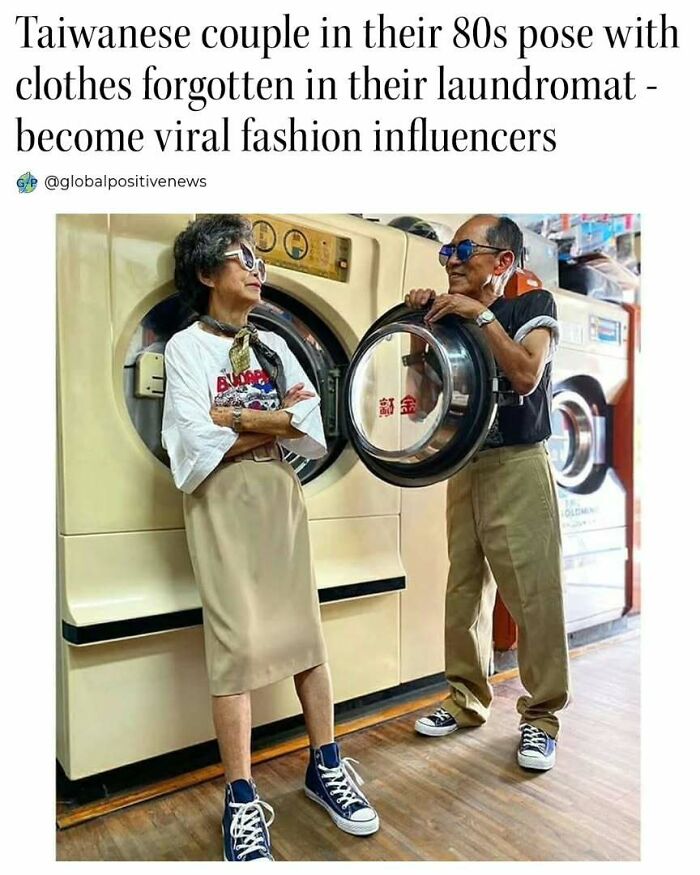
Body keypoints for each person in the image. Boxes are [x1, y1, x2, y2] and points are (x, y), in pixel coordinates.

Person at [162, 214, 379, 862]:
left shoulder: (275, 345)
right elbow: (194, 444)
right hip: (220, 501)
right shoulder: (183, 348)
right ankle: (241, 799)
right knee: (236, 646)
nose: (257, 268)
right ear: (206, 273)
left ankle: (326, 763)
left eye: (259, 258)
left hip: (281, 495)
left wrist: (235, 417)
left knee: (305, 633)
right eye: (240, 257)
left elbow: (310, 421)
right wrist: (271, 422)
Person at [407, 214, 570, 771]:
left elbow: (526, 375)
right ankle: (466, 700)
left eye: (465, 249)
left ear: (502, 262)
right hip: (467, 464)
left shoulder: (532, 308)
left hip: (520, 464)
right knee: (464, 591)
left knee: (534, 596)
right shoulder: (447, 320)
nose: (452, 259)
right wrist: (418, 336)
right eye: (447, 250)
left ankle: (542, 718)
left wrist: (480, 315)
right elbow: (426, 402)